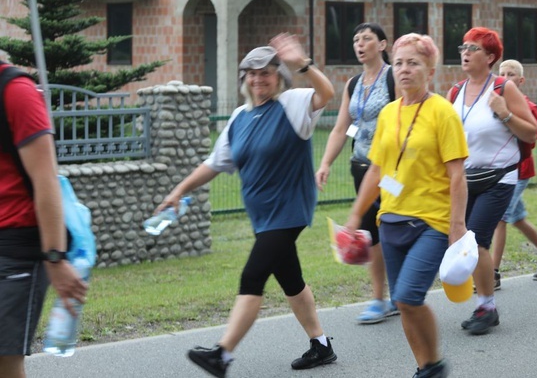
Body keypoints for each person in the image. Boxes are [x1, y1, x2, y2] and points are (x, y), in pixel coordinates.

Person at [159, 34, 337, 377]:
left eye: (267, 72)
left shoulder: (294, 104)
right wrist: (179, 189)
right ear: (244, 79)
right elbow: (214, 164)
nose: (259, 79)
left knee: (253, 275)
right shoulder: (239, 118)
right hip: (263, 217)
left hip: (289, 210)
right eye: (252, 74)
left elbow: (326, 93)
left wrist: (304, 64)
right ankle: (321, 345)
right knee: (291, 280)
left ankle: (222, 355)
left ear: (278, 76)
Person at [345, 33, 468, 378]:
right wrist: (356, 215)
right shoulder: (387, 114)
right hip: (392, 220)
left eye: (413, 62)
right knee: (401, 301)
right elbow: (378, 170)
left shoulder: (443, 112)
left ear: (430, 69)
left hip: (432, 222)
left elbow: (457, 175)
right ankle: (424, 367)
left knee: (410, 295)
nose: (404, 69)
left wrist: (457, 227)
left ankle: (435, 364)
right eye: (399, 63)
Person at [446, 29, 537, 336]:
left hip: (500, 177)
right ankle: (484, 302)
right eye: (464, 47)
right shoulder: (455, 92)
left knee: (477, 239)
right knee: (464, 240)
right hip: (466, 179)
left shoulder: (504, 87)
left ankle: (487, 306)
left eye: (473, 48)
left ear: (490, 57)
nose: (465, 53)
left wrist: (505, 114)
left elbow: (531, 133)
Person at [0, 61, 88, 378]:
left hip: (15, 249)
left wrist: (54, 257)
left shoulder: (15, 90)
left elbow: (46, 179)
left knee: (4, 363)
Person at [316, 23, 399, 324]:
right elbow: (341, 128)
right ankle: (380, 299)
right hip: (361, 167)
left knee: (396, 227)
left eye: (367, 39)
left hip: (392, 171)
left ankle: (402, 291)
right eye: (355, 39)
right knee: (372, 235)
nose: (360, 44)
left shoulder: (393, 77)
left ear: (382, 44)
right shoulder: (353, 83)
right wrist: (325, 163)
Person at [491, 59, 537, 287]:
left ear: (520, 81)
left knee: (500, 218)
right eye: (502, 74)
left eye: (511, 75)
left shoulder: (528, 107)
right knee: (516, 218)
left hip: (519, 172)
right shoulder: (491, 104)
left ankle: (493, 273)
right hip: (498, 171)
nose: (506, 78)